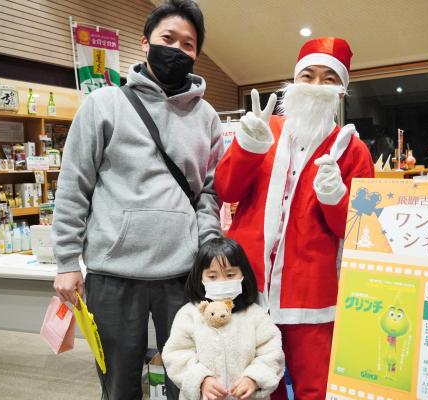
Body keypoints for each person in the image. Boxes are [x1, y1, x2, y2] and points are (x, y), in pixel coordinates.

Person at [51, 1, 223, 398]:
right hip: (113, 273)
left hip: (182, 275)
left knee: (190, 382)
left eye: (188, 44)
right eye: (168, 38)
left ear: (197, 54)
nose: (176, 49)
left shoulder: (207, 117)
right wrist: (66, 262)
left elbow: (209, 194)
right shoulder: (103, 104)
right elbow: (73, 186)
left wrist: (209, 251)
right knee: (119, 384)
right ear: (145, 43)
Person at [214, 37, 375, 399]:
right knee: (257, 386)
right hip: (250, 284)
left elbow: (360, 232)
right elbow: (226, 190)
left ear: (342, 90)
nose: (316, 85)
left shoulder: (354, 150)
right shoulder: (264, 129)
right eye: (308, 75)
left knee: (314, 389)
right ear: (294, 81)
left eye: (329, 79)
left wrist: (335, 198)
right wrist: (247, 148)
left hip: (313, 296)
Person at [163, 238, 285, 400]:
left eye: (230, 275)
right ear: (200, 278)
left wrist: (254, 378)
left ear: (243, 274)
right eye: (212, 276)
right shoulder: (189, 315)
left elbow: (272, 352)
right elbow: (177, 354)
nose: (221, 282)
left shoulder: (256, 315)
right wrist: (201, 380)